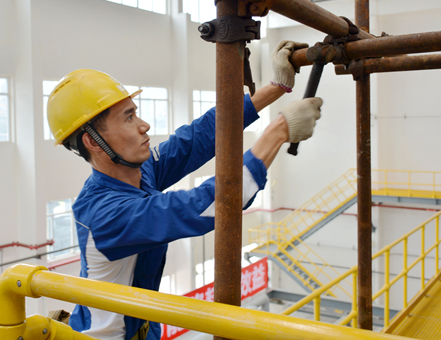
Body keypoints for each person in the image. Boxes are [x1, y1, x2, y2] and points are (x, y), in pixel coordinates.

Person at [46, 41, 322, 340]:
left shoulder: (136, 173)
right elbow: (206, 206)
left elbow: (195, 139)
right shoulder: (105, 213)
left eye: (135, 114)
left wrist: (277, 87)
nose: (144, 125)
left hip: (145, 328)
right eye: (128, 117)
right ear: (92, 141)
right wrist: (277, 131)